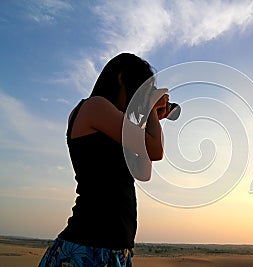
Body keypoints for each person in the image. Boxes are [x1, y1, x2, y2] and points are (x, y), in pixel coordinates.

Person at [38, 53, 170, 267]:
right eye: (140, 89)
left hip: (112, 249)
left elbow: (144, 170)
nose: (139, 98)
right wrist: (151, 109)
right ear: (121, 78)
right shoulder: (94, 107)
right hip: (88, 247)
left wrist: (148, 115)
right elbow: (155, 149)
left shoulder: (116, 123)